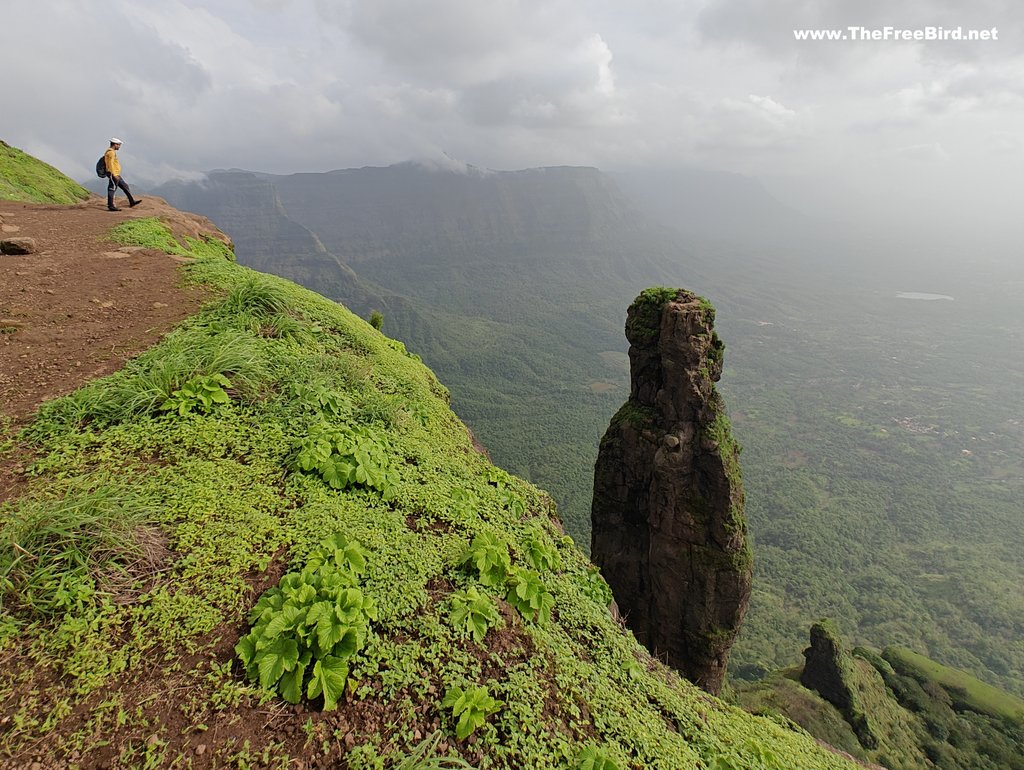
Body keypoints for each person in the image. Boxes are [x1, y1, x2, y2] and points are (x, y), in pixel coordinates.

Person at [103, 138, 141, 211]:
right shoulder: (111, 153)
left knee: (125, 186)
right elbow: (110, 164)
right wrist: (114, 175)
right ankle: (111, 206)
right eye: (119, 145)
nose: (119, 147)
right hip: (113, 174)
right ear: (115, 144)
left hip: (116, 173)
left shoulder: (111, 152)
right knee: (112, 189)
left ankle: (132, 201)